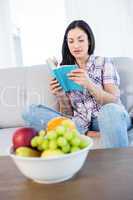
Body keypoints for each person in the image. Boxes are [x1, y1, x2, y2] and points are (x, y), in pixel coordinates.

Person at [22, 20, 132, 148]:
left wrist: (89, 84)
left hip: (108, 116)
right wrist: (60, 94)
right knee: (29, 111)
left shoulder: (104, 62)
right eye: (71, 41)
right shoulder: (65, 70)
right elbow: (67, 113)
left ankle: (112, 156)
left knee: (110, 111)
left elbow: (113, 100)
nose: (76, 46)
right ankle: (86, 133)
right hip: (80, 123)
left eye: (80, 40)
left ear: (89, 41)